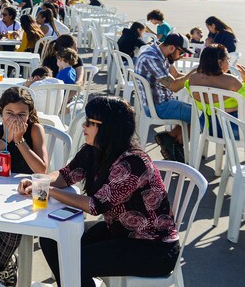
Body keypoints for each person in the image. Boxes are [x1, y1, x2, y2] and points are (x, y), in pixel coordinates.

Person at [20, 97, 180, 287]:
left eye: (90, 123)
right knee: (52, 239)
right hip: (120, 232)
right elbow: (66, 175)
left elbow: (95, 205)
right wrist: (39, 181)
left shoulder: (133, 162)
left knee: (74, 262)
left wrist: (50, 191)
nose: (83, 126)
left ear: (108, 128)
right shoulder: (94, 150)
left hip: (153, 248)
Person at [0, 87, 48, 285]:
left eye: (21, 114)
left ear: (29, 114)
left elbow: (41, 169)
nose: (15, 119)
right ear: (1, 112)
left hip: (23, 195)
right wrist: (4, 141)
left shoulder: (35, 130)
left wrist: (19, 141)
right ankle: (6, 264)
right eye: (10, 114)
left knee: (13, 225)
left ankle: (0, 266)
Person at [134, 33, 191, 162]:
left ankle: (171, 140)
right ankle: (176, 145)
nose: (181, 57)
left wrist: (196, 78)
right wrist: (193, 74)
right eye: (181, 53)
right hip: (158, 107)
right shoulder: (152, 58)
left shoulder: (159, 52)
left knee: (195, 113)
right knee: (199, 116)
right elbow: (174, 86)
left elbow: (175, 75)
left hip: (158, 102)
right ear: (172, 48)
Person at [184, 44, 243, 137]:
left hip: (206, 126)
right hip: (232, 129)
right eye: (228, 60)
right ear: (220, 62)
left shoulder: (193, 78)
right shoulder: (231, 81)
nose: (229, 62)